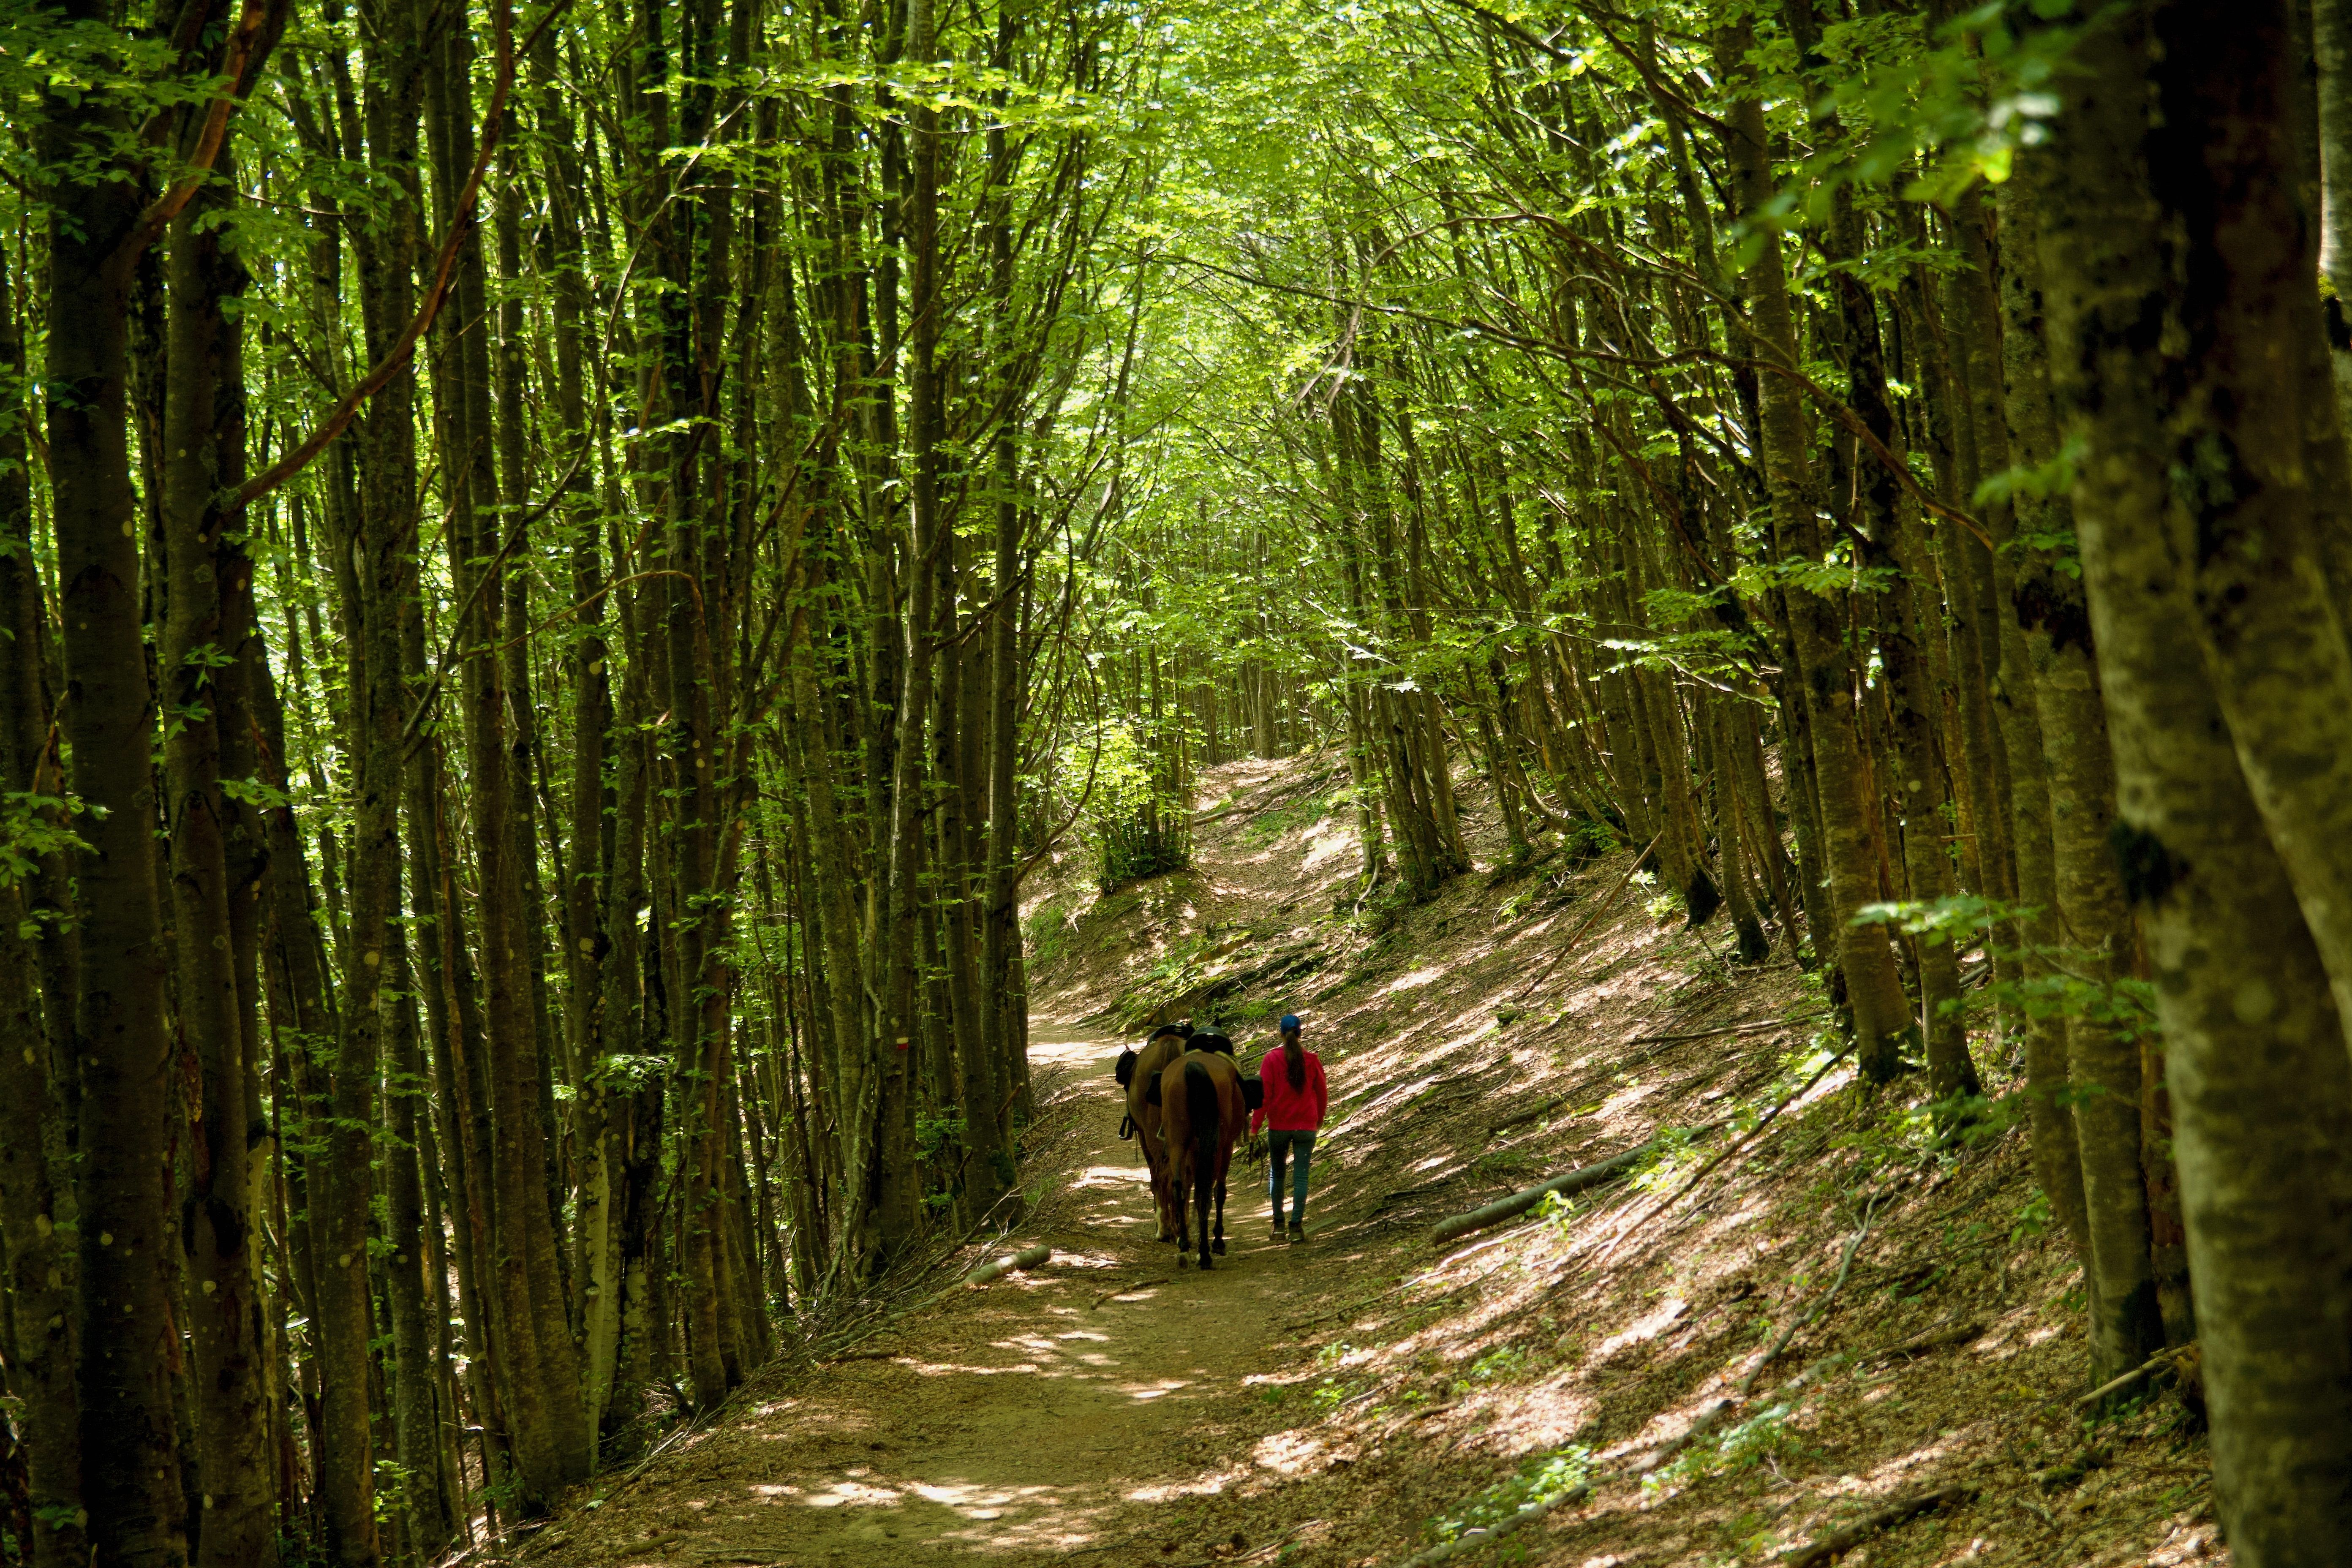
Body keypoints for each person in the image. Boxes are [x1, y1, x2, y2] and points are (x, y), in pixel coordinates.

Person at [1251, 1014, 1326, 1244]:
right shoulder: (1312, 1060)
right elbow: (1322, 1093)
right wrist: (1319, 1119)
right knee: (1302, 1176)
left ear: (1280, 1034)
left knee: (1278, 1174)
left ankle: (1279, 1226)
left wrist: (1255, 1127)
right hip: (1306, 1127)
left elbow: (1264, 1097)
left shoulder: (1271, 1060)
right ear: (1300, 1033)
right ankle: (1296, 1227)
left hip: (1279, 1127)